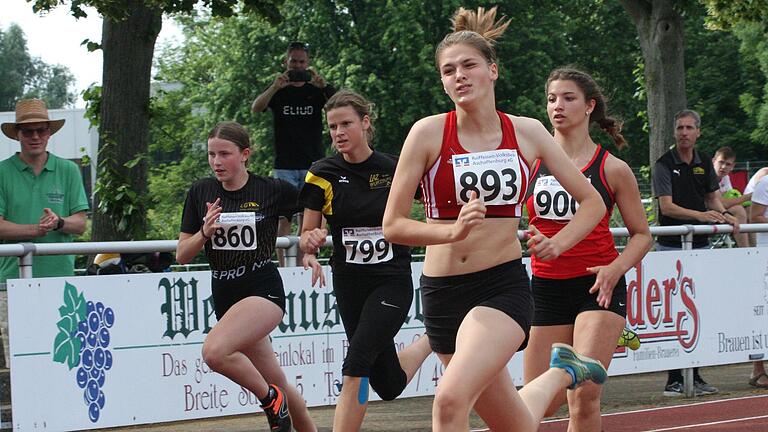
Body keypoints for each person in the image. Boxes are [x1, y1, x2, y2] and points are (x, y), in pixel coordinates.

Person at [382, 7, 609, 431]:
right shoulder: (428, 133)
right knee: (514, 423)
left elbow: (591, 201)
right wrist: (451, 231)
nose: (459, 76)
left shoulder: (528, 132)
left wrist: (559, 243)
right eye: (448, 70)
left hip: (500, 288)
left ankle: (563, 371)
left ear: (493, 70)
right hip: (442, 292)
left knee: (449, 401)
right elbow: (393, 224)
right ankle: (564, 372)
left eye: (469, 65)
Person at [523, 67, 652, 430]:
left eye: (568, 98)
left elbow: (642, 234)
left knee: (583, 395)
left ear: (589, 106)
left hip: (598, 286)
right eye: (551, 99)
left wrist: (616, 269)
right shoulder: (530, 162)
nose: (557, 106)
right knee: (541, 402)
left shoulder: (612, 168)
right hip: (547, 287)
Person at [298, 90, 432, 431]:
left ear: (365, 123)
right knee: (387, 384)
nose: (339, 132)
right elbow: (307, 233)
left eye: (346, 124)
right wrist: (310, 246)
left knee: (355, 363)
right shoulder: (321, 173)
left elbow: (433, 204)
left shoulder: (393, 168)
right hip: (350, 283)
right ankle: (434, 338)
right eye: (332, 127)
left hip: (391, 280)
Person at [176, 121, 315, 432]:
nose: (216, 162)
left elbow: (314, 203)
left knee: (214, 352)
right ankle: (290, 411)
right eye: (211, 155)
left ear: (245, 155)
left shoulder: (271, 190)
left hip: (263, 289)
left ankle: (268, 400)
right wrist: (204, 233)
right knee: (278, 381)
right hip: (226, 295)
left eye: (224, 154)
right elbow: (182, 255)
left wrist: (310, 242)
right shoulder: (201, 192)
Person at [652, 109, 740, 396]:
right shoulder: (664, 164)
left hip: (699, 246)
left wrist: (727, 215)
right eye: (680, 128)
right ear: (674, 132)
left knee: (697, 311)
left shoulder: (704, 162)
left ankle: (695, 375)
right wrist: (701, 217)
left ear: (698, 132)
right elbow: (667, 207)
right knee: (676, 312)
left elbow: (713, 198)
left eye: (690, 128)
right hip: (671, 246)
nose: (684, 133)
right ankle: (674, 379)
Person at [251, 41, 336, 266]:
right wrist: (274, 87)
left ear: (308, 64)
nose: (297, 66)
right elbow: (256, 107)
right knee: (283, 215)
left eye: (301, 62)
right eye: (293, 62)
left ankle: (303, 262)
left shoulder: (316, 91)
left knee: (309, 215)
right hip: (285, 163)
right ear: (285, 62)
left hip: (313, 162)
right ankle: (284, 265)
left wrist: (323, 86)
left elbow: (339, 105)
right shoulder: (280, 91)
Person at [0, 99, 89, 284]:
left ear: (49, 133)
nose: (35, 136)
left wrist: (58, 222)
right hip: (12, 281)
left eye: (41, 130)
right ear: (17, 134)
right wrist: (36, 229)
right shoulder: (2, 172)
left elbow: (81, 224)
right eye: (28, 131)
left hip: (60, 279)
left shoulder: (69, 170)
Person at [748, 175, 768, 389]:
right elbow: (755, 216)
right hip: (766, 255)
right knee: (763, 315)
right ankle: (758, 368)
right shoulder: (765, 183)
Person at [712, 146, 750, 247]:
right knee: (738, 210)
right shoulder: (708, 176)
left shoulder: (725, 177)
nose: (724, 167)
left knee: (749, 209)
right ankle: (745, 251)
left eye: (728, 164)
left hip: (717, 210)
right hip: (701, 211)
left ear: (732, 166)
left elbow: (729, 199)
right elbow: (723, 203)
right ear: (713, 161)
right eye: (721, 162)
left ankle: (754, 249)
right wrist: (749, 197)